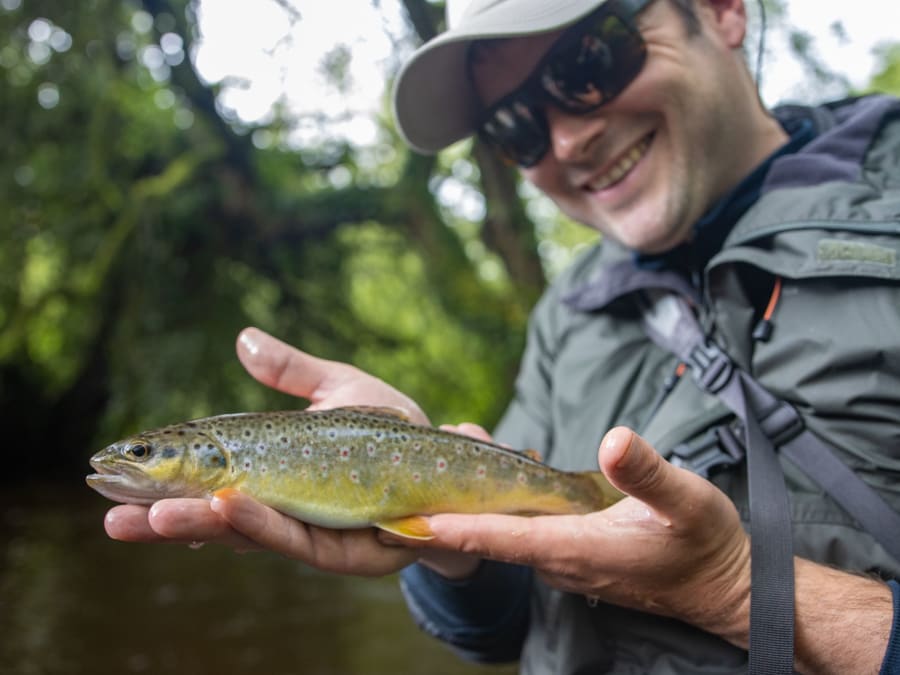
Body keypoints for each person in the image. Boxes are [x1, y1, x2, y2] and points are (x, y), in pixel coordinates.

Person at [102, 0, 900, 672]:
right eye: (515, 126)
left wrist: (731, 589)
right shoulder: (567, 311)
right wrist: (448, 547)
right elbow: (506, 623)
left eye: (591, 61)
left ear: (723, 9)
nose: (563, 142)